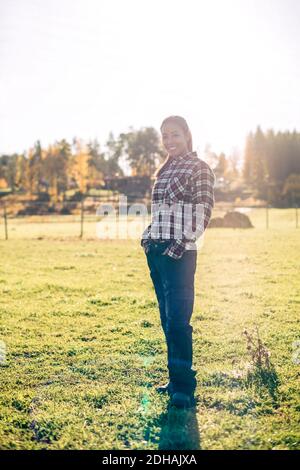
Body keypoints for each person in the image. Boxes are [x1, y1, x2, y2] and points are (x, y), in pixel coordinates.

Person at [140, 115, 215, 408]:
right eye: (165, 136)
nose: (169, 141)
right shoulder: (164, 169)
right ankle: (174, 379)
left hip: (180, 256)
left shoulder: (199, 168)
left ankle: (184, 387)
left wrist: (177, 247)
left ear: (187, 135)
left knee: (178, 323)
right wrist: (147, 238)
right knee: (166, 320)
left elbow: (203, 212)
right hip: (157, 253)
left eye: (175, 135)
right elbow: (160, 214)